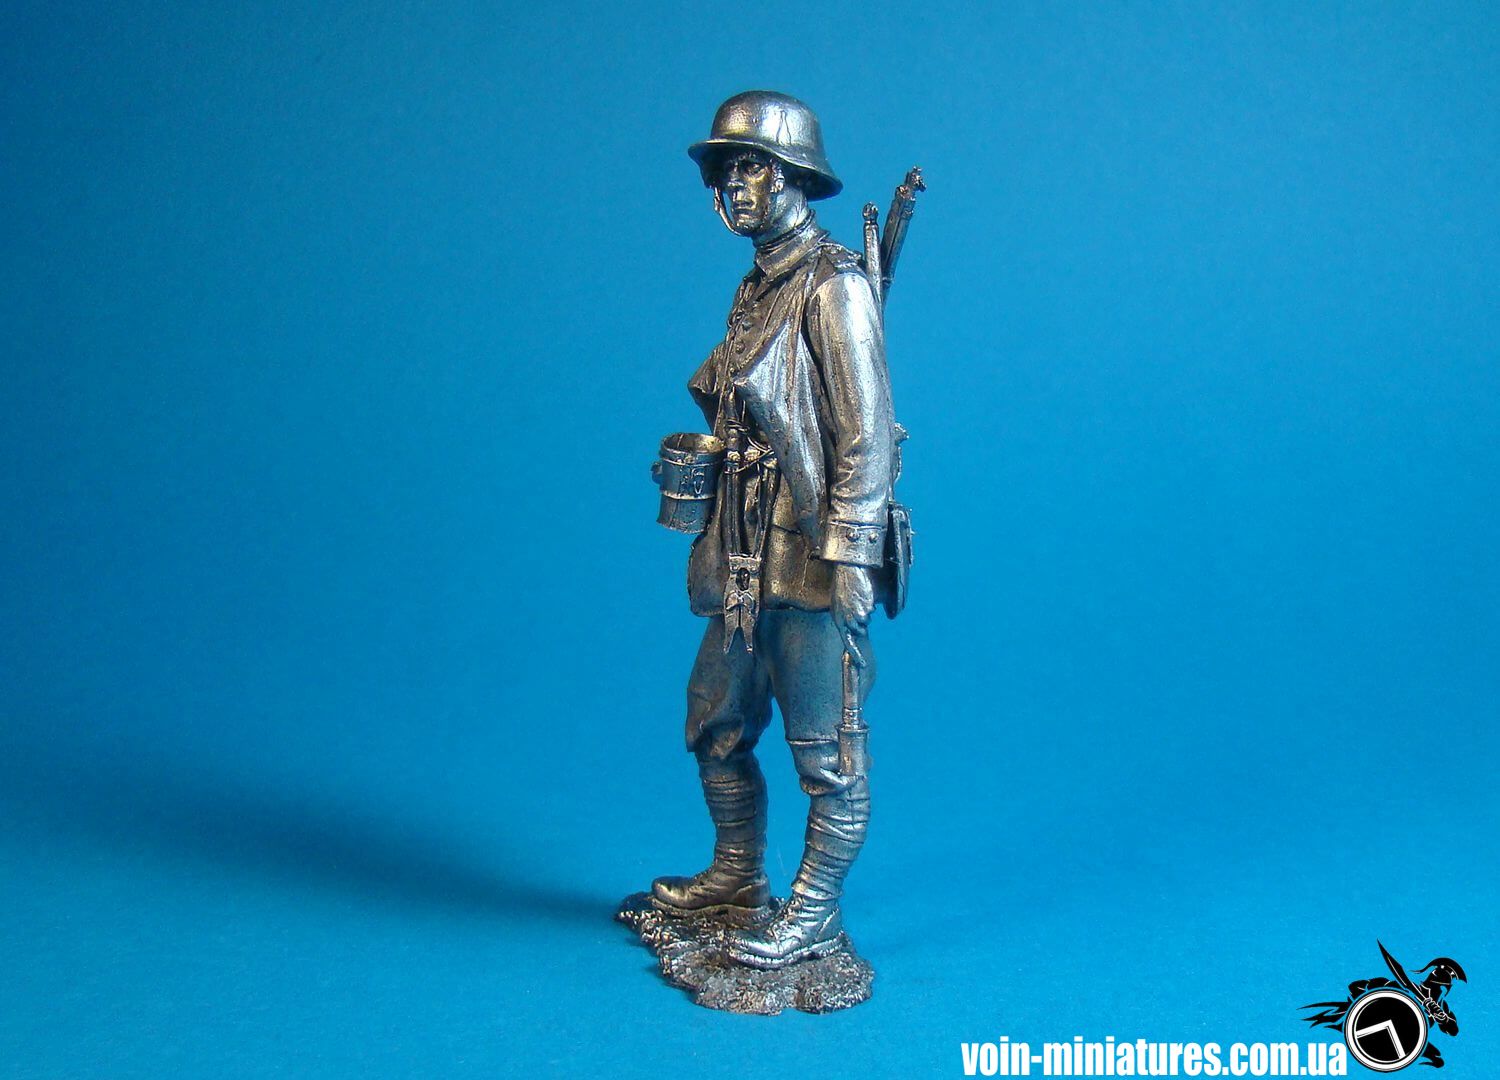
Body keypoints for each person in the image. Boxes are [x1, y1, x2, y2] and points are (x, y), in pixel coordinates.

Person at [650, 90, 898, 969]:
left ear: (793, 177)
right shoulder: (759, 285)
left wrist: (854, 558)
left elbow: (866, 434)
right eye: (727, 170)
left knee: (828, 755)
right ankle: (737, 876)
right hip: (740, 552)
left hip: (810, 561)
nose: (734, 184)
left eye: (751, 166)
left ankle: (816, 913)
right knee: (714, 724)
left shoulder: (834, 285)